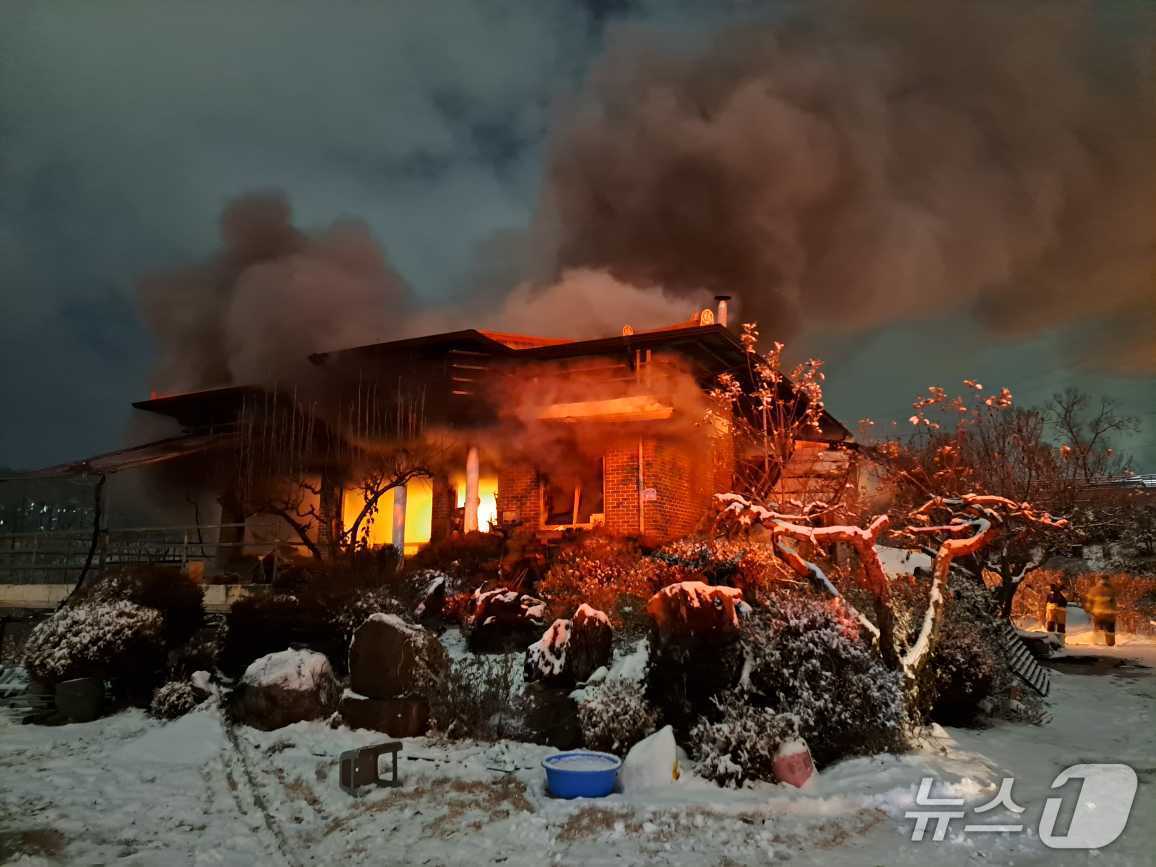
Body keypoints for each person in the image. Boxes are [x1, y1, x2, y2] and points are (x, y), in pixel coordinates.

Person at [1084, 576, 1117, 647]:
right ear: (1108, 580)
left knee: (1098, 628)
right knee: (1110, 630)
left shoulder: (1094, 589)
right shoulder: (1112, 590)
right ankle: (1110, 644)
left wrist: (1088, 609)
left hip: (1098, 613)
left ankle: (1095, 642)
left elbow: (1089, 602)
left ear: (1099, 581)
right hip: (1109, 614)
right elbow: (1114, 602)